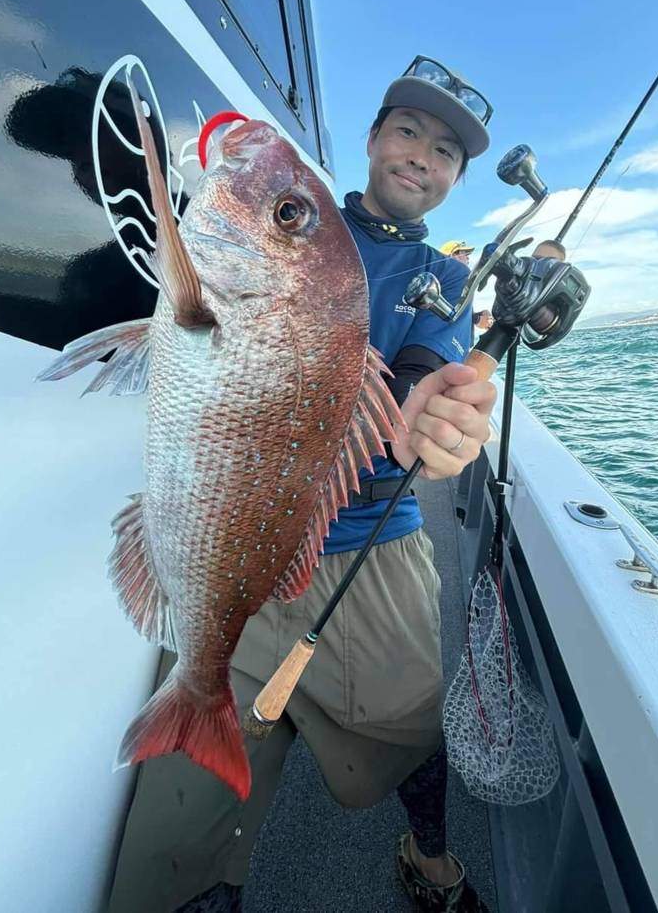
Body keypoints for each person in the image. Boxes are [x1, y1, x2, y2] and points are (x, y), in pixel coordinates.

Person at [107, 55, 498, 913]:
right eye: (407, 131)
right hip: (227, 525)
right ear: (371, 139)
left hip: (369, 540)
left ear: (454, 179)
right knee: (175, 811)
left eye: (444, 152)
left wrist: (434, 421)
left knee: (412, 725)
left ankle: (428, 849)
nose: (420, 157)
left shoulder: (448, 279)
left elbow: (427, 375)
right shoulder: (293, 220)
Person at [438, 240, 493, 331]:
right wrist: (477, 319)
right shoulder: (456, 275)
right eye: (465, 254)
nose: (468, 258)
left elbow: (451, 306)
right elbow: (451, 305)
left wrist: (476, 317)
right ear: (453, 255)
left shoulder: (446, 279)